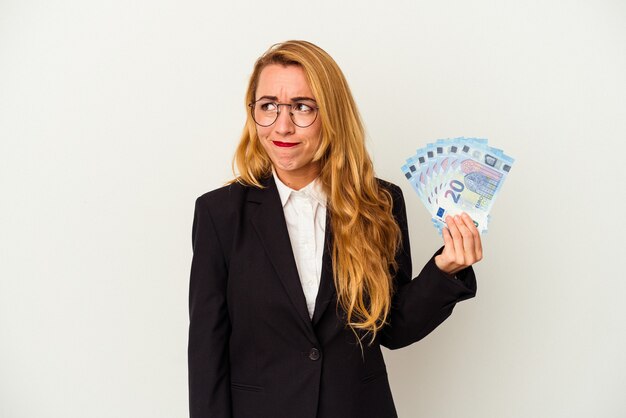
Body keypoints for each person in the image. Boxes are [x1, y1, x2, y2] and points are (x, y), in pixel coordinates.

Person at [188, 40, 482, 418]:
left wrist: (445, 270)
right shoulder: (219, 214)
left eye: (302, 107)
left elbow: (391, 328)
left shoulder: (380, 203)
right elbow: (206, 351)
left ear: (332, 114)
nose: (282, 125)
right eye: (268, 106)